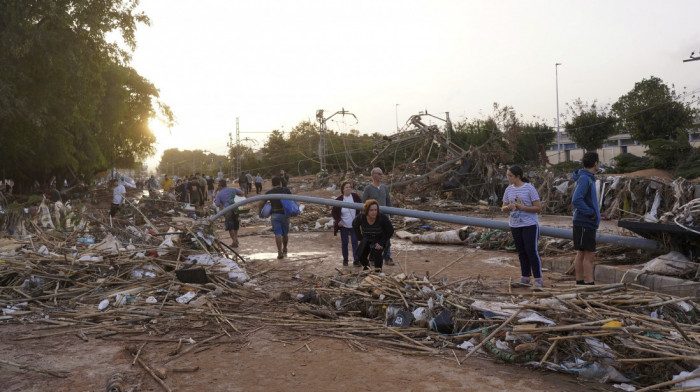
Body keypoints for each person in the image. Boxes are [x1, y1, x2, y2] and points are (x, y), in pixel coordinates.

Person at [501, 165, 543, 287]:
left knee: (531, 250)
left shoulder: (529, 188)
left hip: (529, 224)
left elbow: (538, 208)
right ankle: (525, 277)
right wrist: (509, 207)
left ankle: (538, 278)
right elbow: (503, 208)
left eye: (510, 176)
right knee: (521, 251)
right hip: (515, 224)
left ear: (518, 176)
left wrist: (522, 207)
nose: (508, 178)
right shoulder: (508, 190)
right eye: (507, 175)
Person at [572, 152, 601, 286]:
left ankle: (580, 282)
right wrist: (590, 213)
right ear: (595, 163)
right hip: (585, 221)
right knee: (589, 255)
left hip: (585, 221)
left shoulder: (587, 177)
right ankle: (589, 284)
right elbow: (576, 199)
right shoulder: (585, 178)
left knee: (582, 253)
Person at [362, 167, 394, 265]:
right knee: (374, 238)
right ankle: (372, 258)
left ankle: (387, 257)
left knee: (387, 238)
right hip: (373, 218)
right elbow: (364, 203)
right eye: (379, 174)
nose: (381, 176)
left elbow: (388, 201)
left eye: (381, 174)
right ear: (373, 175)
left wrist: (391, 216)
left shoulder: (384, 188)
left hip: (385, 217)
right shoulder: (368, 189)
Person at [352, 199, 394, 271]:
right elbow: (354, 225)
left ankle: (378, 271)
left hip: (379, 238)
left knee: (377, 254)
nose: (374, 212)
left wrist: (381, 242)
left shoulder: (381, 217)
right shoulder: (362, 217)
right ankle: (366, 268)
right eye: (371, 210)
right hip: (367, 238)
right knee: (360, 254)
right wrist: (360, 238)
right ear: (367, 210)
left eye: (375, 210)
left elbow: (390, 230)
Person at [258, 176, 292, 259]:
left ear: (272, 184)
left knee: (277, 233)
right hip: (285, 214)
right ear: (280, 183)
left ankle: (279, 252)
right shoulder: (286, 190)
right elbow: (292, 200)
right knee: (285, 234)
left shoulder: (270, 192)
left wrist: (260, 211)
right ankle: (285, 249)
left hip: (275, 214)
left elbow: (261, 203)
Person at [331, 180, 362, 266]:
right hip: (344, 225)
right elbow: (334, 213)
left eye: (350, 187)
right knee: (344, 242)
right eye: (347, 187)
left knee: (355, 242)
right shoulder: (339, 199)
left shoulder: (355, 197)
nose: (349, 188)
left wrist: (359, 218)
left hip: (354, 225)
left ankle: (356, 260)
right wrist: (338, 221)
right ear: (343, 189)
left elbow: (361, 207)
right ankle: (345, 259)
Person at [214, 179, 245, 247]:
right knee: (235, 225)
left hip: (227, 210)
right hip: (235, 208)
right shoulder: (232, 189)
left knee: (230, 227)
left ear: (221, 186)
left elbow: (217, 204)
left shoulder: (219, 194)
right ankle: (236, 239)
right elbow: (242, 193)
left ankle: (234, 241)